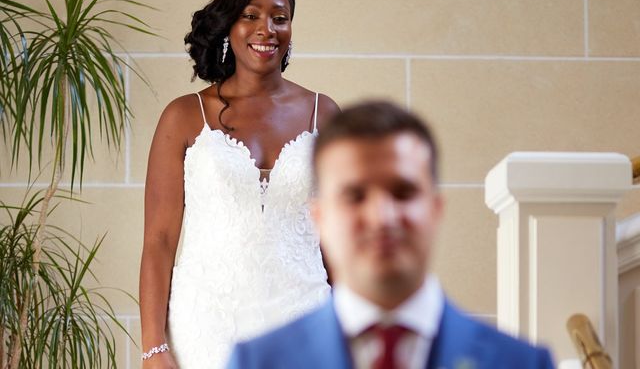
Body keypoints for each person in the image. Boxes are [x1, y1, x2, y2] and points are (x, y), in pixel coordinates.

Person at [226, 101, 555, 369]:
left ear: (436, 209)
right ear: (319, 219)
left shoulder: (523, 363)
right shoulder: (257, 362)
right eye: (355, 195)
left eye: (402, 192)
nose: (382, 217)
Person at [139, 0, 339, 368]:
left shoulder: (325, 115)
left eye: (279, 18)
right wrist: (153, 347)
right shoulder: (184, 116)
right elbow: (159, 240)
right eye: (250, 15)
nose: (266, 28)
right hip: (206, 330)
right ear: (229, 25)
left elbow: (341, 241)